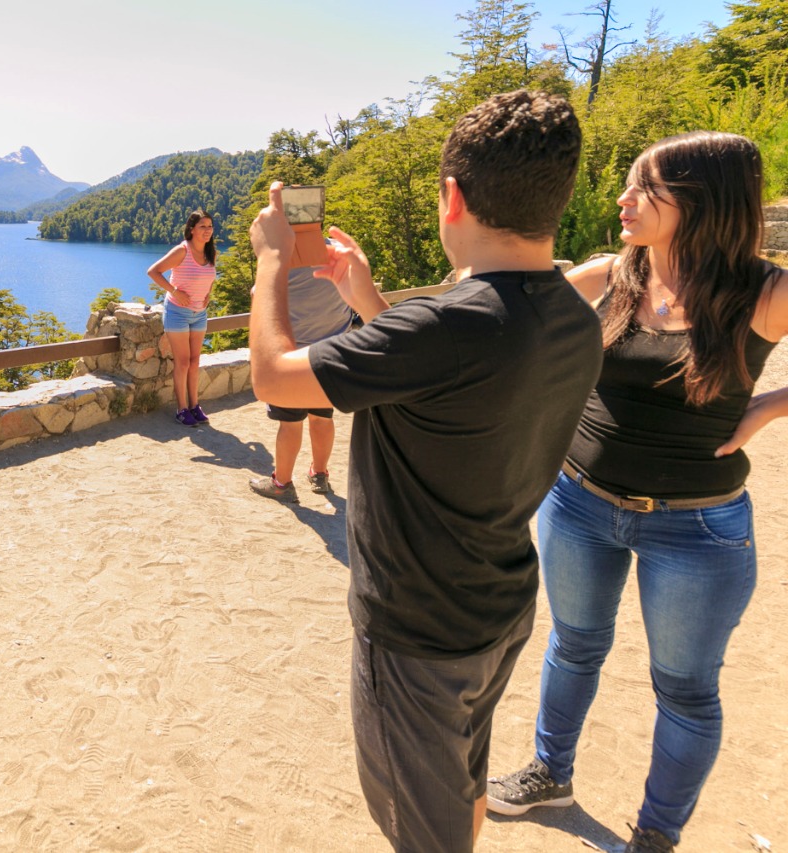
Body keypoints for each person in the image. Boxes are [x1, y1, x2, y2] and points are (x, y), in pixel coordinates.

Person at [248, 89, 602, 852]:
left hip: (417, 633)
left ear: (452, 197)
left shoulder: (442, 324)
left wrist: (272, 261)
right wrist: (365, 296)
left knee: (422, 831)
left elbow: (276, 377)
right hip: (496, 605)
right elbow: (452, 381)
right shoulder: (572, 316)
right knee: (461, 783)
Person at [486, 131, 788, 852]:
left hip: (699, 530)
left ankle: (656, 833)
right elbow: (498, 325)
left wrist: (770, 405)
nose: (622, 200)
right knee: (573, 646)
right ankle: (549, 772)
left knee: (685, 689)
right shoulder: (611, 275)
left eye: (644, 188)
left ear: (700, 200)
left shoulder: (766, 292)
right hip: (580, 504)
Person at [248, 263, 354, 502]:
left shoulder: (281, 260)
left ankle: (282, 484)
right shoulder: (337, 254)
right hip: (329, 354)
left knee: (290, 422)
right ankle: (319, 474)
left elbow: (259, 296)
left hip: (291, 355)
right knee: (322, 416)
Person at [147, 210, 218, 427]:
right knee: (183, 362)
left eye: (210, 226)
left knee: (195, 361)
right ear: (192, 229)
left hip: (199, 314)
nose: (207, 230)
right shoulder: (182, 251)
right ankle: (181, 409)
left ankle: (195, 406)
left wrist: (208, 294)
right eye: (202, 226)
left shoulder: (210, 252)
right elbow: (153, 271)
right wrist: (175, 291)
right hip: (177, 312)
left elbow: (210, 277)